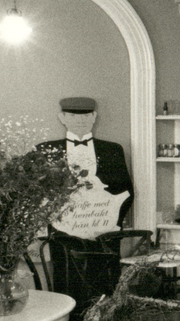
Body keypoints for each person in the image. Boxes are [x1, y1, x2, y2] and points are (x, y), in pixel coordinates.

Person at [37, 96, 134, 230]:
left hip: (104, 228)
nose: (80, 121)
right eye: (73, 116)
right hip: (61, 230)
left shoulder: (112, 150)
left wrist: (113, 223)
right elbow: (38, 192)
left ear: (94, 117)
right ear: (62, 117)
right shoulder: (44, 150)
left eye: (86, 116)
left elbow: (125, 190)